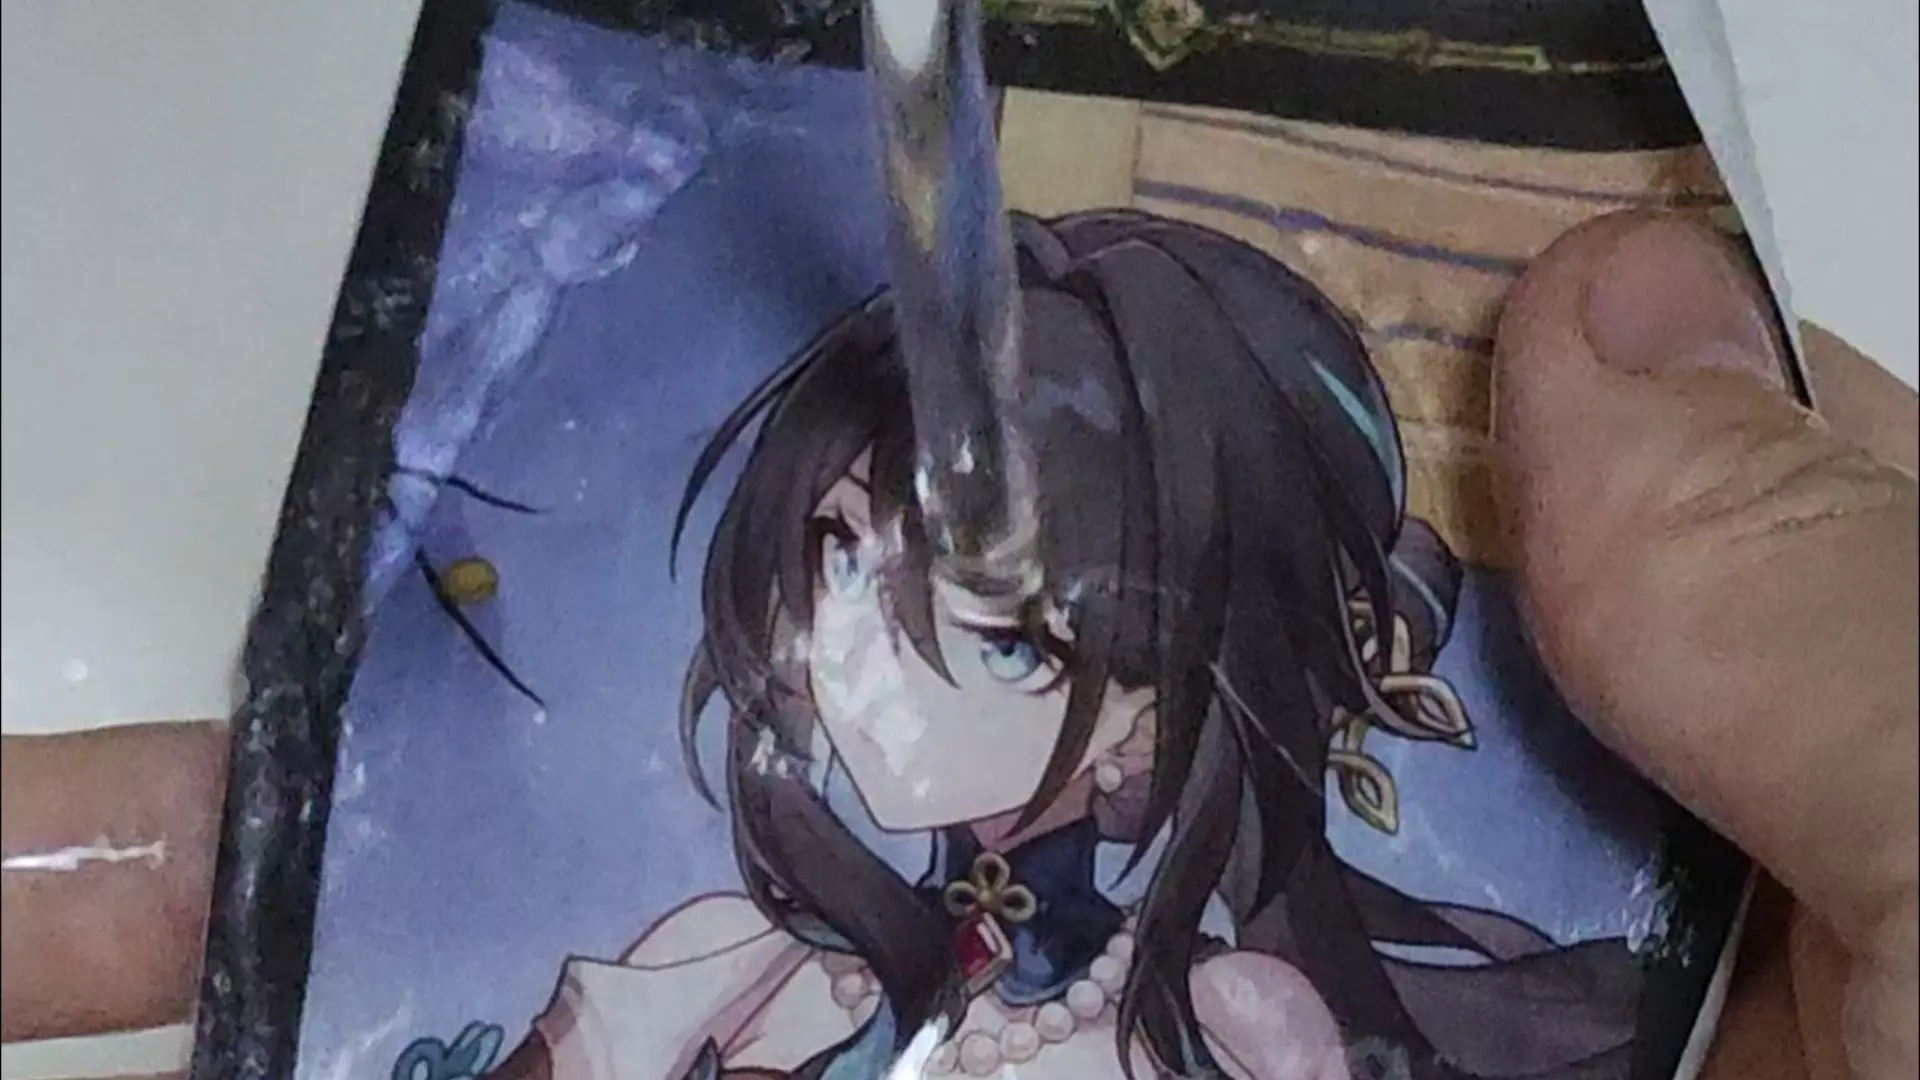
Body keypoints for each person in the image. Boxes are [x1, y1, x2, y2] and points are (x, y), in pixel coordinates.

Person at [2, 212, 1913, 1079]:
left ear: (1163, 705)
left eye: (987, 627)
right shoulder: (730, 976)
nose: (844, 645)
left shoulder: (1245, 1031)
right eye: (836, 550)